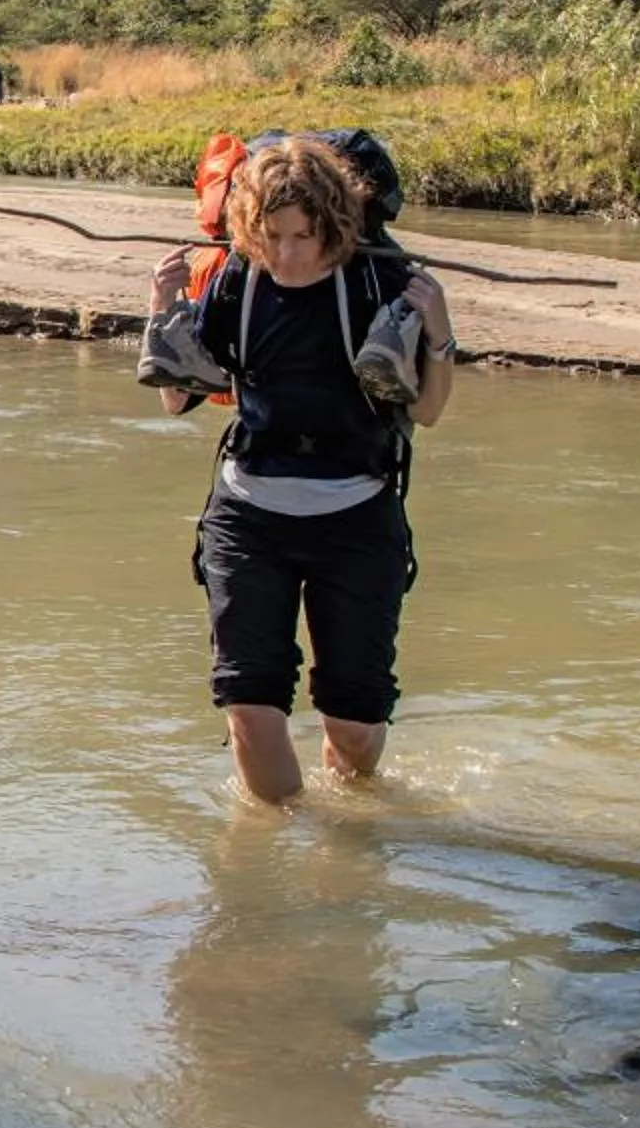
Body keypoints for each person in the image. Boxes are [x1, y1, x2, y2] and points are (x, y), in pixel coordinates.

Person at [144, 137, 455, 803]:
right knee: (250, 711)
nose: (286, 254)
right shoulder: (237, 280)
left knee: (355, 729)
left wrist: (439, 330)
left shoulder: (383, 284)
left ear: (337, 227)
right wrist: (164, 306)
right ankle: (286, 878)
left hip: (357, 514)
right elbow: (177, 399)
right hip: (248, 515)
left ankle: (350, 812)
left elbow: (427, 409)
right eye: (273, 234)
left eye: (304, 236)